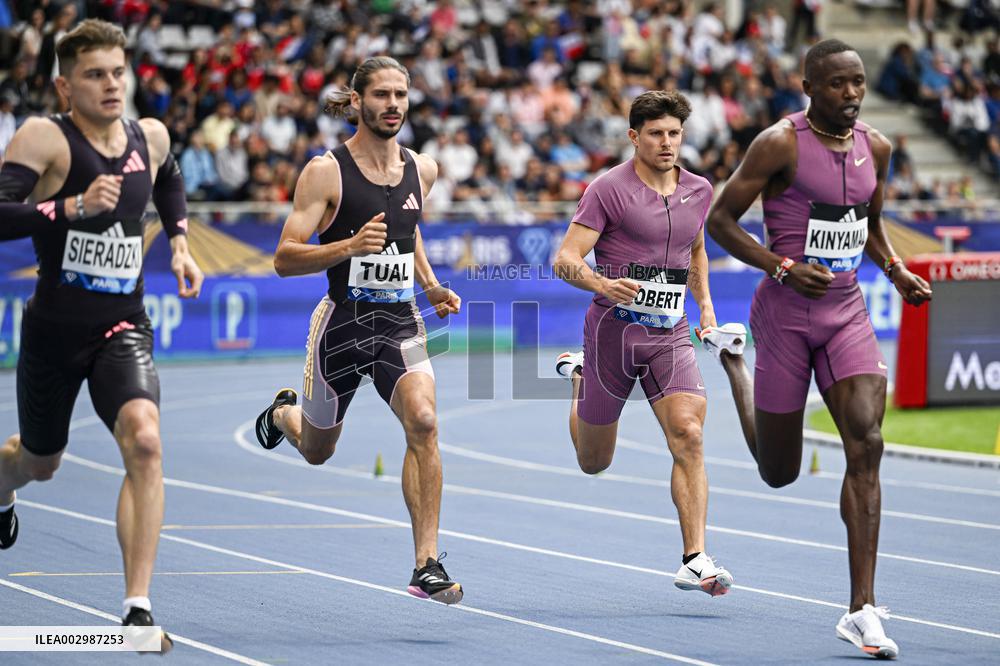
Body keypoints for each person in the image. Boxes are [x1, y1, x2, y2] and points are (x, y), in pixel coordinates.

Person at [703, 39, 932, 659]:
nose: (851, 94)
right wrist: (780, 266)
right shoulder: (779, 143)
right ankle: (734, 363)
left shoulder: (876, 148)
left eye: (857, 82)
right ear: (809, 86)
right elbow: (719, 222)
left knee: (868, 441)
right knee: (779, 472)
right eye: (837, 84)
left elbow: (869, 221)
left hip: (846, 313)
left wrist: (894, 268)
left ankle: (861, 609)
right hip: (784, 317)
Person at [0, 20, 204, 651]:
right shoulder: (45, 138)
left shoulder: (151, 134)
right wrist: (67, 208)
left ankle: (137, 606)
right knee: (40, 462)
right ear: (65, 86)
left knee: (145, 440)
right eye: (95, 75)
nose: (111, 84)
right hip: (54, 331)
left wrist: (179, 244)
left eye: (118, 71)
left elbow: (168, 177)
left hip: (123, 323)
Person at [252, 57, 464, 605]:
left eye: (401, 94)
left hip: (400, 321)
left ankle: (427, 563)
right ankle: (283, 412)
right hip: (342, 324)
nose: (392, 104)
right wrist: (346, 247)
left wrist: (431, 284)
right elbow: (283, 257)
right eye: (381, 95)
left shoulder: (425, 168)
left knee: (425, 421)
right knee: (319, 449)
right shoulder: (325, 171)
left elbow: (408, 234)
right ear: (357, 101)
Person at [552, 90, 734, 598]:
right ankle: (581, 378)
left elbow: (695, 248)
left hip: (670, 334)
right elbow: (564, 259)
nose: (667, 142)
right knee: (594, 461)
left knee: (689, 433)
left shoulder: (699, 189)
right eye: (656, 133)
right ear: (634, 137)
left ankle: (694, 557)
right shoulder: (607, 189)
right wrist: (600, 285)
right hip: (613, 332)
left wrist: (706, 306)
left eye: (674, 133)